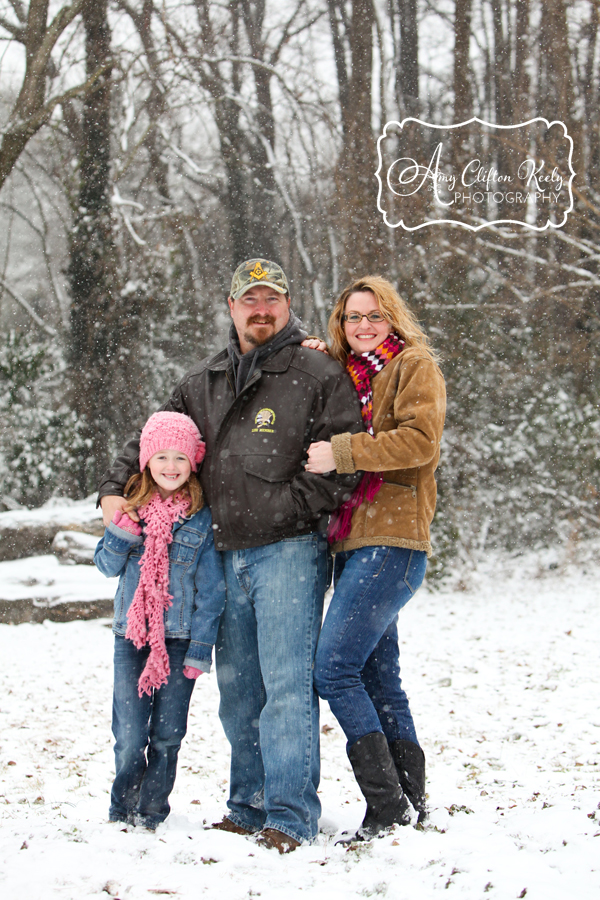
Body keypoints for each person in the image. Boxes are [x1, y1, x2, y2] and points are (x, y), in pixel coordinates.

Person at [97, 258, 363, 851]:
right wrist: (116, 488)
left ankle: (290, 816)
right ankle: (247, 806)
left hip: (289, 552)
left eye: (272, 300)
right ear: (232, 305)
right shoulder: (204, 381)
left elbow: (344, 460)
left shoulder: (316, 370)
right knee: (239, 686)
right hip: (220, 553)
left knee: (289, 684)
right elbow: (154, 435)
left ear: (288, 306)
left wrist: (291, 509)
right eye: (250, 300)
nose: (261, 309)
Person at [306, 275, 446, 839]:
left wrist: (342, 452)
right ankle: (411, 802)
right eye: (351, 317)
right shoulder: (353, 374)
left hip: (393, 539)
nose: (362, 326)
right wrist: (311, 350)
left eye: (374, 315)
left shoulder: (413, 366)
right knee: (378, 675)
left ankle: (385, 805)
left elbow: (419, 441)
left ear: (393, 318)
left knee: (333, 670)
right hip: (355, 539)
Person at [95, 411, 226, 831]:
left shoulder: (201, 520)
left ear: (193, 464)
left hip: (179, 641)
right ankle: (123, 809)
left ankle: (152, 813)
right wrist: (122, 532)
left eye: (180, 459)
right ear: (147, 462)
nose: (171, 467)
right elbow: (105, 566)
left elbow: (212, 592)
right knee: (131, 736)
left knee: (167, 736)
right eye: (162, 457)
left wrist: (200, 650)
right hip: (130, 637)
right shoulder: (131, 510)